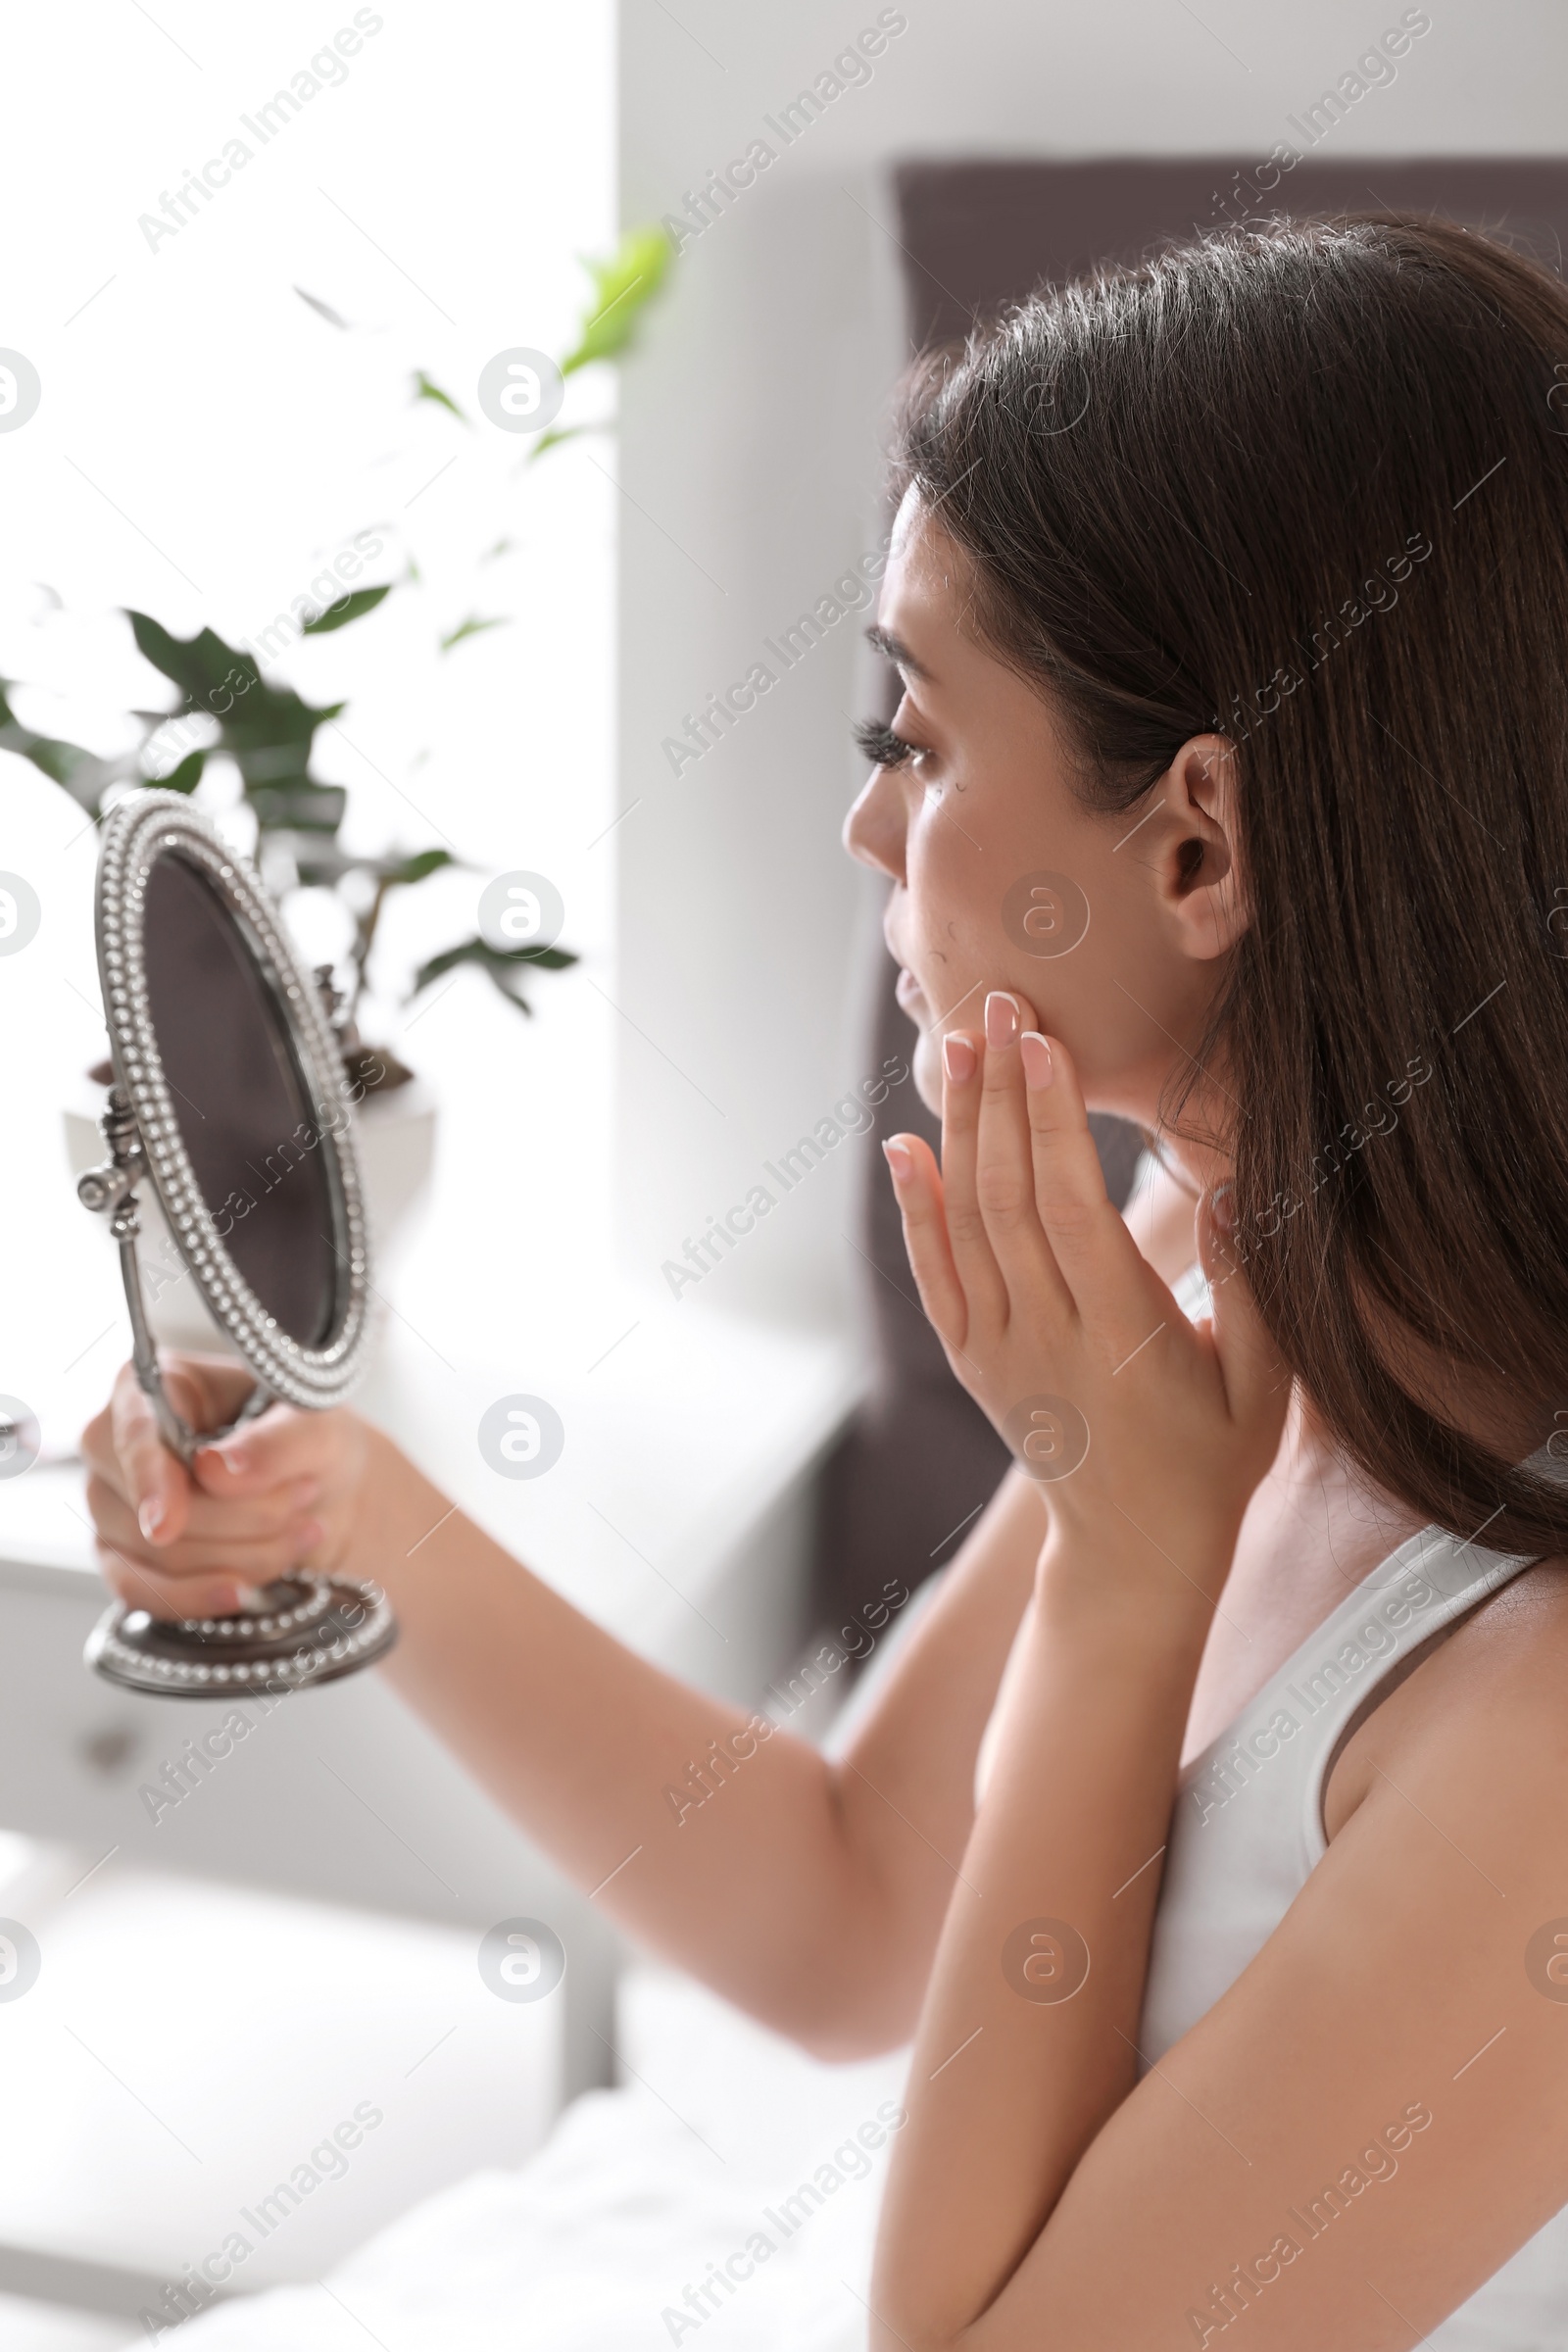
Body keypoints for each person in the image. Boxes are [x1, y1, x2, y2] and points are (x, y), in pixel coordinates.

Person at [83, 211, 1568, 2347]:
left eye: (918, 738)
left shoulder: (1526, 1728)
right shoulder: (1214, 1268)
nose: (866, 838)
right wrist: (353, 1511)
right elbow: (844, 1914)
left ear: (1198, 846)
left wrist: (1117, 1568)